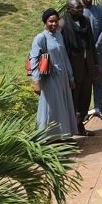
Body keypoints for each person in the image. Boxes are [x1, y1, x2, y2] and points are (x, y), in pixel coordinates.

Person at [30, 9, 79, 139]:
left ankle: (63, 135)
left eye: (56, 21)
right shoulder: (40, 38)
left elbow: (65, 57)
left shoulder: (59, 35)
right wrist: (36, 81)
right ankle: (46, 138)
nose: (54, 24)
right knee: (50, 107)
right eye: (50, 21)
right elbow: (34, 59)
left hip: (62, 77)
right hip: (49, 77)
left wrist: (70, 76)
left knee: (63, 105)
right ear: (45, 22)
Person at [61, 0, 99, 136]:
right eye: (76, 7)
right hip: (72, 68)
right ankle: (70, 130)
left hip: (87, 66)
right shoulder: (63, 24)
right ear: (68, 9)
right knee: (73, 98)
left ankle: (80, 125)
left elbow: (91, 44)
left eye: (80, 7)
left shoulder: (85, 21)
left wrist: (95, 65)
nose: (80, 9)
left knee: (85, 96)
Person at [80, 0, 102, 121]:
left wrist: (98, 44)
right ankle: (84, 111)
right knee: (86, 84)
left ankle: (98, 107)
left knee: (98, 81)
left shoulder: (99, 10)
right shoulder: (78, 12)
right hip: (84, 55)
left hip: (98, 52)